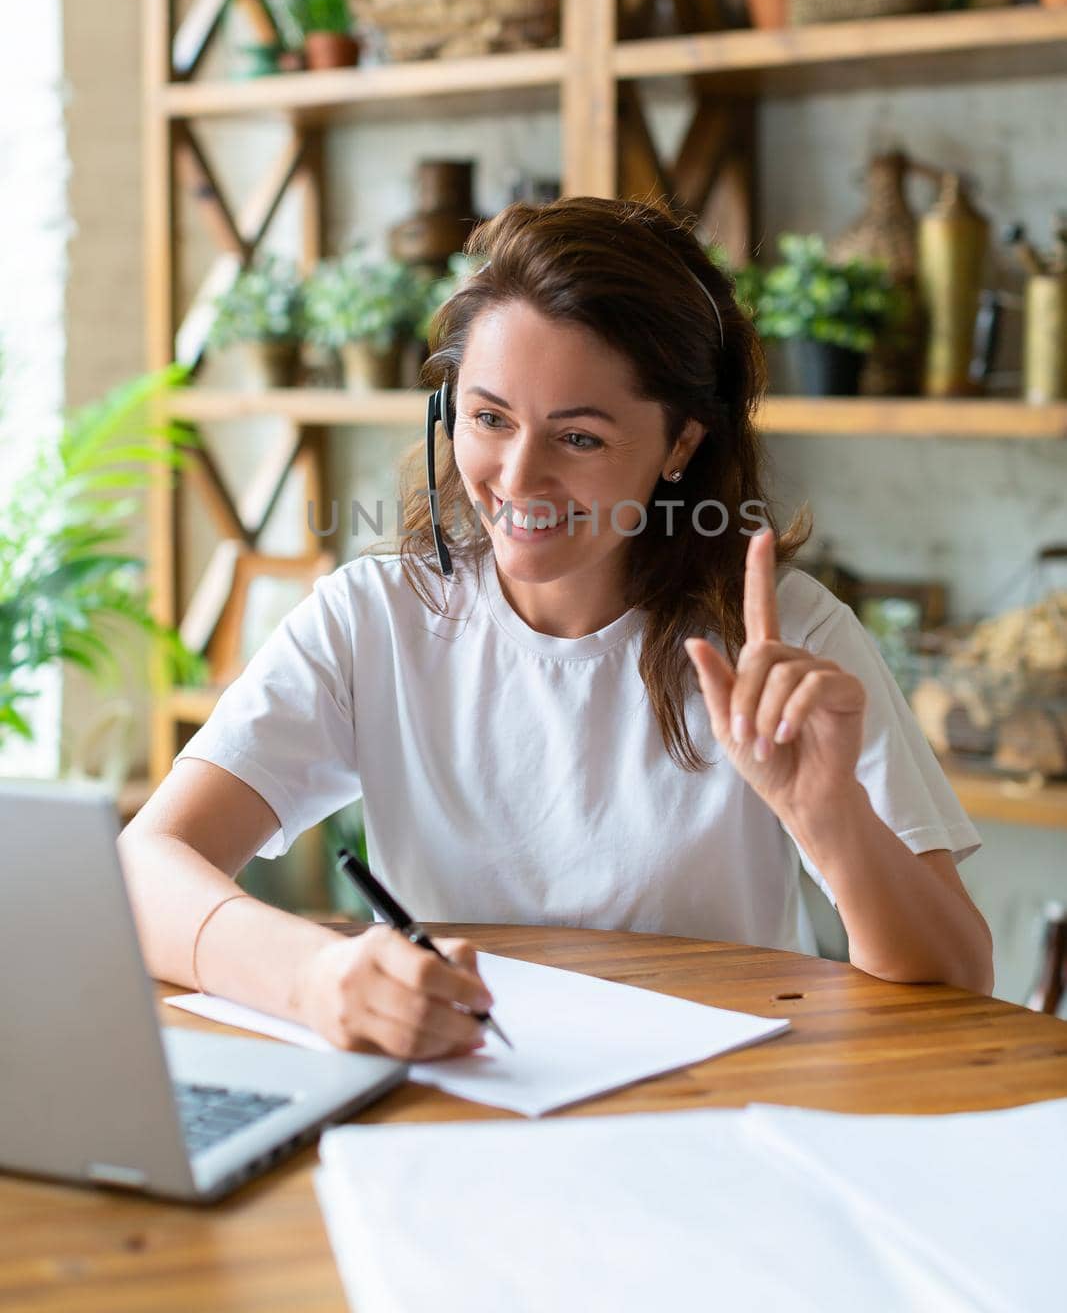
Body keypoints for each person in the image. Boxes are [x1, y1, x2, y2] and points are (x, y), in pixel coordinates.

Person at [119, 197, 994, 1063]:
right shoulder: (373, 620)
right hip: (458, 1100)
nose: (517, 476)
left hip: (712, 1119)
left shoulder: (786, 640)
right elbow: (142, 868)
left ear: (679, 444)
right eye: (489, 418)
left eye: (577, 437)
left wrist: (827, 814)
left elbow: (959, 980)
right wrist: (315, 977)